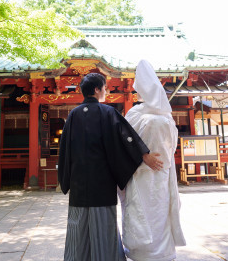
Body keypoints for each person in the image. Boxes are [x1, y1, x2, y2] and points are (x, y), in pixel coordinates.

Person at [58, 72, 163, 261]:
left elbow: (64, 149)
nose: (106, 91)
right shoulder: (107, 113)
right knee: (104, 228)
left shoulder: (73, 115)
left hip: (79, 183)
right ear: (97, 89)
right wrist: (144, 155)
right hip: (102, 183)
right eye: (105, 87)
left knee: (77, 227)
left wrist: (65, 179)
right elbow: (126, 137)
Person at [118, 60, 186, 261]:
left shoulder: (135, 114)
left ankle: (142, 253)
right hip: (161, 171)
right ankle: (163, 252)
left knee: (143, 212)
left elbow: (122, 143)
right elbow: (172, 146)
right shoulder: (167, 117)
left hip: (140, 172)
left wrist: (141, 156)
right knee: (160, 211)